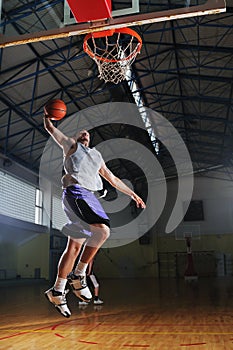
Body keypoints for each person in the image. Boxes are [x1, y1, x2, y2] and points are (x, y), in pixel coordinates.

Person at [43, 113, 146, 317]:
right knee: (102, 231)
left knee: (74, 247)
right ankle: (79, 274)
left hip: (87, 197)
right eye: (81, 133)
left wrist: (133, 194)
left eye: (87, 134)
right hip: (76, 193)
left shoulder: (97, 156)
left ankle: (57, 290)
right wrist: (48, 118)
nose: (85, 135)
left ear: (90, 140)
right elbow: (52, 131)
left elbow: (113, 179)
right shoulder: (71, 146)